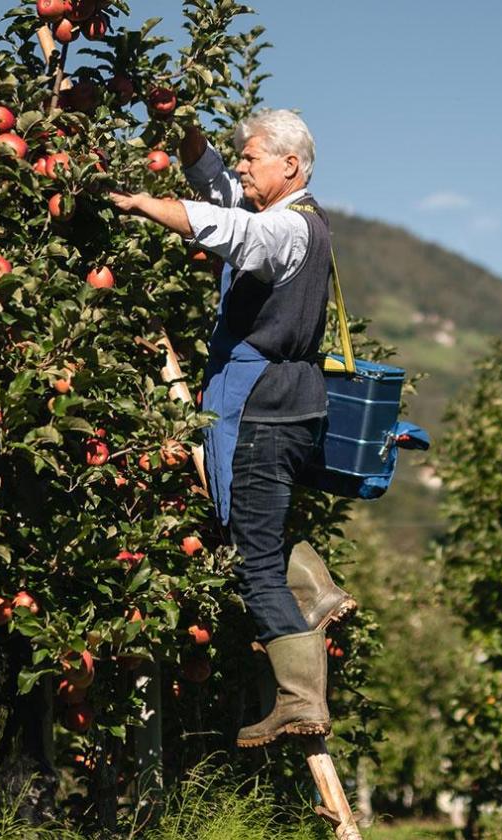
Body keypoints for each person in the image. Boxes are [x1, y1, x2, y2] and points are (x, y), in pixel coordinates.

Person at [108, 109, 354, 748]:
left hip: (262, 404)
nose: (241, 166)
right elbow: (218, 188)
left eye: (252, 158)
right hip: (294, 402)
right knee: (257, 519)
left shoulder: (285, 229)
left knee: (252, 563)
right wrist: (184, 130)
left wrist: (142, 203)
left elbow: (233, 228)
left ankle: (301, 700)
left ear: (290, 166)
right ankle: (318, 591)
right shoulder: (303, 220)